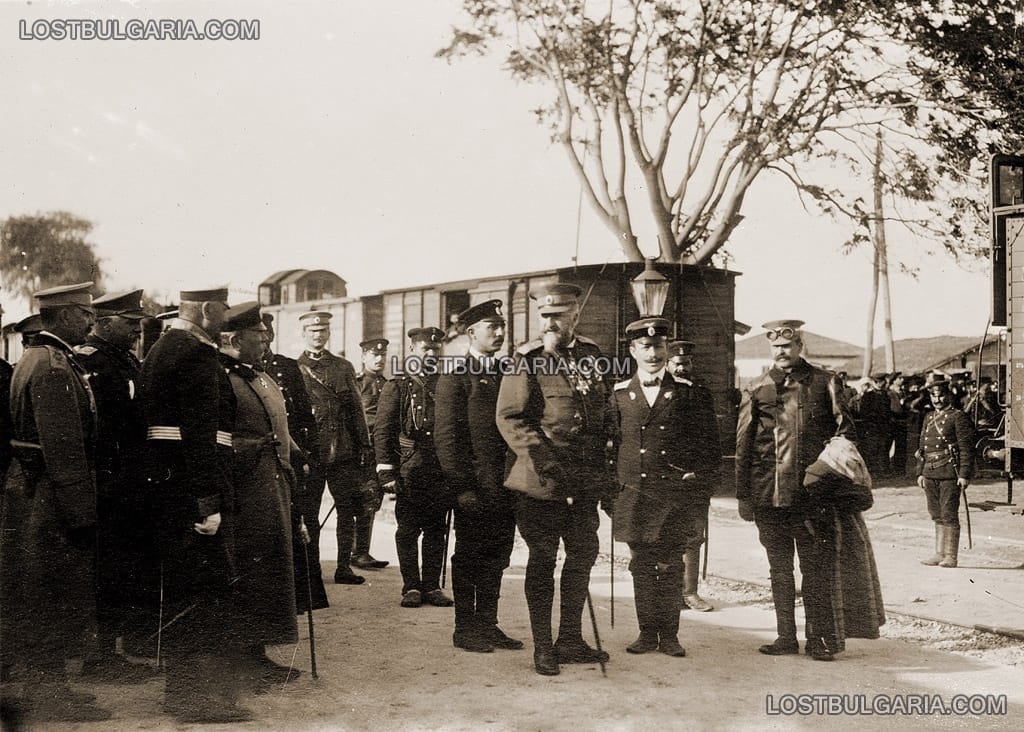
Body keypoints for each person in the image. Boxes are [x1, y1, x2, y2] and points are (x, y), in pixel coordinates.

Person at [140, 286, 252, 723]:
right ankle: (197, 699)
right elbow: (202, 437)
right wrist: (208, 502)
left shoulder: (165, 347)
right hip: (191, 490)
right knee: (204, 594)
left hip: (169, 487)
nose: (226, 316)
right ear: (207, 309)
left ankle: (185, 692)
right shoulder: (195, 354)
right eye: (222, 309)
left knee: (188, 591)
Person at [2, 283, 110, 721]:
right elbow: (64, 450)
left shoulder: (37, 359)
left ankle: (51, 688)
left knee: (41, 592)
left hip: (37, 493)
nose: (90, 322)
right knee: (51, 593)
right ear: (64, 316)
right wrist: (83, 514)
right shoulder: (53, 367)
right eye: (84, 315)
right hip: (50, 498)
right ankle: (50, 695)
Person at [496, 283, 614, 677]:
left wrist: (603, 468)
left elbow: (600, 417)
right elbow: (511, 417)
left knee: (582, 556)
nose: (550, 323)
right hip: (540, 481)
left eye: (558, 315)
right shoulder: (526, 359)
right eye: (544, 316)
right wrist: (546, 461)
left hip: (583, 482)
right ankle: (543, 647)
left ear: (574, 316)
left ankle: (571, 639)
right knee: (543, 559)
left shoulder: (591, 355)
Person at [735, 319, 856, 662]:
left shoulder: (825, 382)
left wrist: (826, 474)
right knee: (779, 569)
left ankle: (818, 639)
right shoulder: (758, 387)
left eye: (787, 346)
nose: (781, 352)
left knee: (815, 568)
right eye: (775, 347)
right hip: (768, 496)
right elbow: (743, 444)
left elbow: (846, 433)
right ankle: (785, 636)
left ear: (800, 346)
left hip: (812, 497)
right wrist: (744, 495)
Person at [609, 321, 722, 658]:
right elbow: (609, 445)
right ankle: (646, 633)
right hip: (635, 494)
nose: (654, 353)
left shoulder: (690, 393)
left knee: (672, 564)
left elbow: (709, 448)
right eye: (645, 346)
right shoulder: (618, 395)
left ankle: (670, 635)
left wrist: (698, 486)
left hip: (675, 496)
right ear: (633, 351)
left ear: (667, 350)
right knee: (641, 564)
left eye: (659, 347)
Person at [75, 289, 160, 679]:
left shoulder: (122, 359)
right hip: (109, 481)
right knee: (107, 568)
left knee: (126, 565)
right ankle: (101, 656)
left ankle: (118, 647)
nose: (136, 333)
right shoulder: (91, 360)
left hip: (129, 481)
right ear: (105, 323)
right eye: (129, 326)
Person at [219, 303, 302, 687]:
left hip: (272, 487)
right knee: (249, 572)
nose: (266, 340)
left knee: (271, 569)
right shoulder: (224, 379)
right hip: (244, 491)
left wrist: (294, 450)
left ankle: (258, 653)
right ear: (235, 340)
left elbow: (276, 423)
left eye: (267, 334)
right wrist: (258, 446)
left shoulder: (261, 377)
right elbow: (217, 440)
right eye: (259, 335)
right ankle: (241, 658)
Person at [435, 300, 523, 653]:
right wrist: (462, 488)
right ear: (472, 333)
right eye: (492, 327)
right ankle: (465, 628)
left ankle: (488, 624)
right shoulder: (456, 376)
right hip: (475, 488)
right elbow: (446, 438)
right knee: (470, 555)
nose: (500, 333)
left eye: (502, 326)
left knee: (498, 555)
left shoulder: (509, 373)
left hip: (507, 485)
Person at [375, 327, 454, 608]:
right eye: (425, 349)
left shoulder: (448, 383)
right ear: (412, 351)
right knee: (408, 529)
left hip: (440, 467)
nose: (431, 354)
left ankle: (432, 586)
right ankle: (411, 586)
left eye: (436, 349)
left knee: (437, 529)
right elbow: (383, 430)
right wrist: (386, 471)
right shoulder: (397, 385)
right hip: (410, 468)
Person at [297, 311, 374, 585]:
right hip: (312, 453)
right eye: (312, 331)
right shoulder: (296, 369)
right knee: (309, 513)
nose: (318, 335)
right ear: (303, 334)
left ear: (328, 333)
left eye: (323, 331)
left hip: (343, 451)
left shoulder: (343, 367)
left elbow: (356, 410)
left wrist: (364, 446)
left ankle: (343, 567)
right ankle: (311, 569)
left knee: (347, 510)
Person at [260, 313, 328, 614]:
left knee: (305, 522)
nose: (264, 341)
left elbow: (305, 417)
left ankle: (307, 593)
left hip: (295, 455)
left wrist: (310, 457)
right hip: (267, 456)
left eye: (268, 334)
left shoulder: (286, 367)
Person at [663, 338, 721, 613]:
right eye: (677, 363)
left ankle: (690, 592)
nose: (682, 368)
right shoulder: (659, 392)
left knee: (694, 534)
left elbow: (711, 436)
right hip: (667, 476)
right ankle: (669, 593)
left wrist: (707, 472)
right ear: (667, 363)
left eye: (686, 363)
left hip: (696, 475)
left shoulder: (701, 393)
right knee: (665, 532)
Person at [916, 375, 974, 568]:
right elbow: (922, 449)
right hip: (930, 473)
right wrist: (920, 473)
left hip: (949, 472)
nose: (937, 400)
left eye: (940, 395)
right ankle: (938, 553)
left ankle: (951, 556)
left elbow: (966, 448)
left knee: (949, 514)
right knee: (935, 513)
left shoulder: (957, 417)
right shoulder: (928, 417)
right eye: (933, 396)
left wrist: (964, 474)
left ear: (948, 395)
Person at [353, 338, 391, 570]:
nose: (379, 359)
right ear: (364, 357)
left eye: (383, 355)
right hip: (362, 450)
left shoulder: (388, 384)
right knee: (361, 499)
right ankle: (354, 552)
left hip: (379, 451)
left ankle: (361, 551)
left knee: (372, 500)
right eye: (374, 355)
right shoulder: (358, 383)